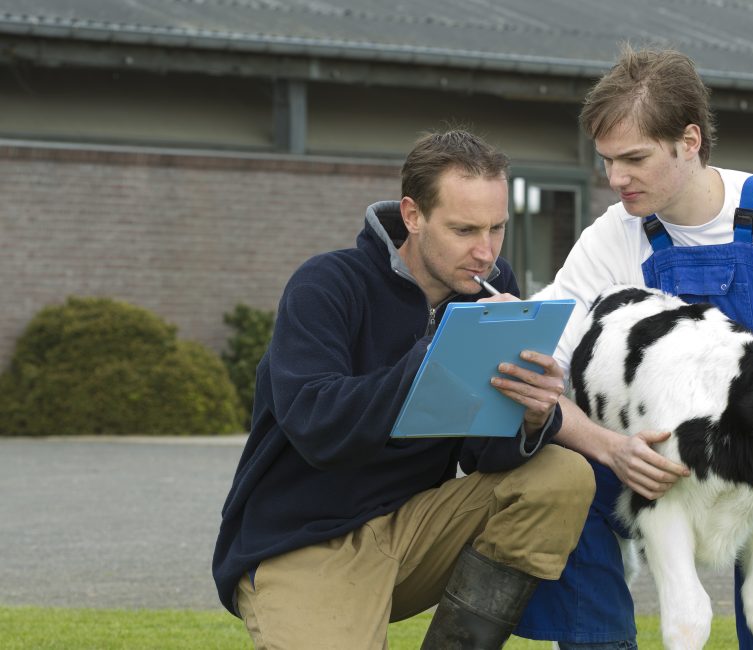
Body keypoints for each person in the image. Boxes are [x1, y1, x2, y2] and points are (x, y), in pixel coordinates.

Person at [514, 46, 753, 649]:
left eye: (635, 159)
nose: (617, 180)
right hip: (676, 469)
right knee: (561, 480)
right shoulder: (614, 237)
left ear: (689, 141)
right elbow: (549, 347)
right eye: (607, 162)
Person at [212, 129, 596, 649]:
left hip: (415, 530)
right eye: (463, 230)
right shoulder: (327, 284)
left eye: (498, 228)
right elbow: (318, 427)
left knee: (561, 473)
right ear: (412, 215)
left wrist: (530, 416)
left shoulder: (485, 286)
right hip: (301, 544)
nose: (485, 252)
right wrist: (440, 353)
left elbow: (482, 451)